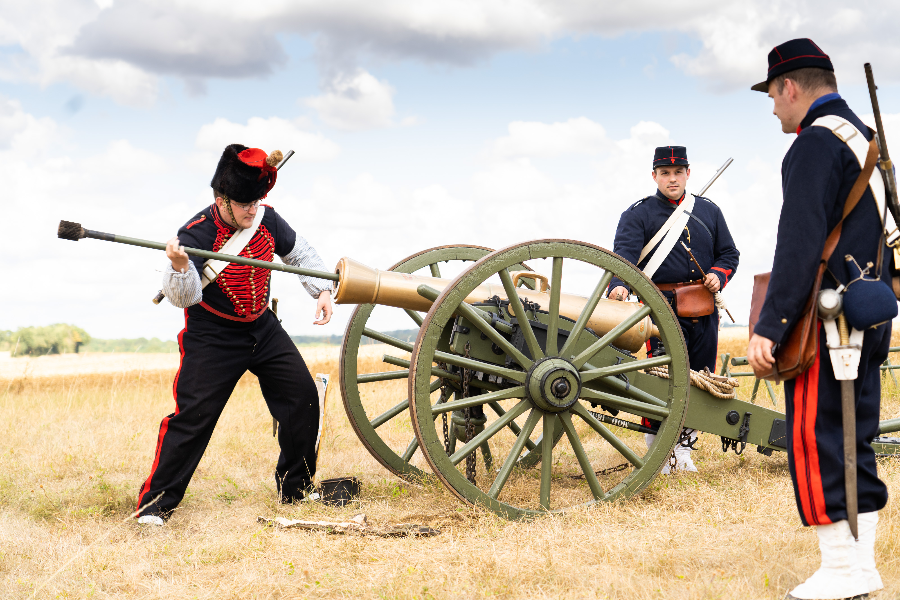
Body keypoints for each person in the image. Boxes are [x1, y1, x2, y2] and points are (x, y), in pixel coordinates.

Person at [746, 39, 890, 600]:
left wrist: (772, 324)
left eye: (773, 96)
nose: (774, 109)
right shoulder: (865, 141)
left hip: (827, 319)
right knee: (855, 440)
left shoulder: (813, 145)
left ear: (791, 87)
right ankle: (862, 567)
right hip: (867, 312)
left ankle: (841, 570)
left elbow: (800, 241)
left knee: (817, 437)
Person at [135, 144, 334, 525]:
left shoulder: (268, 220)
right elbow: (185, 297)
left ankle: (295, 490)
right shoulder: (195, 232)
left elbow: (300, 254)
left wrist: (322, 290)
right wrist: (178, 267)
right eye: (243, 202)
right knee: (193, 418)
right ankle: (154, 508)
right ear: (220, 198)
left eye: (256, 201)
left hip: (262, 327)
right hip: (213, 335)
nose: (251, 209)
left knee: (302, 396)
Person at [610, 146, 740, 471]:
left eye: (678, 172)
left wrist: (718, 276)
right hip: (661, 308)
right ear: (654, 176)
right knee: (662, 378)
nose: (672, 178)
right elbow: (623, 257)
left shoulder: (708, 211)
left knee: (699, 376)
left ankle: (684, 451)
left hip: (704, 309)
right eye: (665, 173)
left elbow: (729, 254)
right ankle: (659, 450)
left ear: (688, 174)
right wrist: (620, 285)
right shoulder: (638, 214)